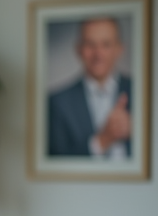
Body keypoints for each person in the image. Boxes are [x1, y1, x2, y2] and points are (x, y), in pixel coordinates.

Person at [47, 16, 133, 158]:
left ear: (119, 49)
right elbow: (54, 160)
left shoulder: (143, 93)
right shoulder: (58, 102)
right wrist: (102, 140)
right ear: (78, 49)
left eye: (106, 44)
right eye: (90, 44)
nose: (98, 54)